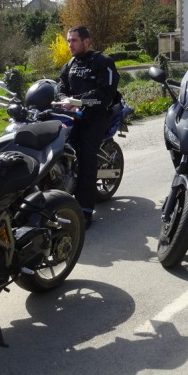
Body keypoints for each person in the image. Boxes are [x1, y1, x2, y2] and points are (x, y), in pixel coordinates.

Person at [56, 26, 120, 228]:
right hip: (74, 115)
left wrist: (77, 101)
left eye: (74, 40)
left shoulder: (103, 62)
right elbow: (60, 87)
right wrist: (64, 99)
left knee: (85, 154)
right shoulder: (70, 65)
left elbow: (105, 94)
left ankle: (84, 211)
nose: (70, 45)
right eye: (68, 41)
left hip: (98, 116)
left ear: (87, 41)